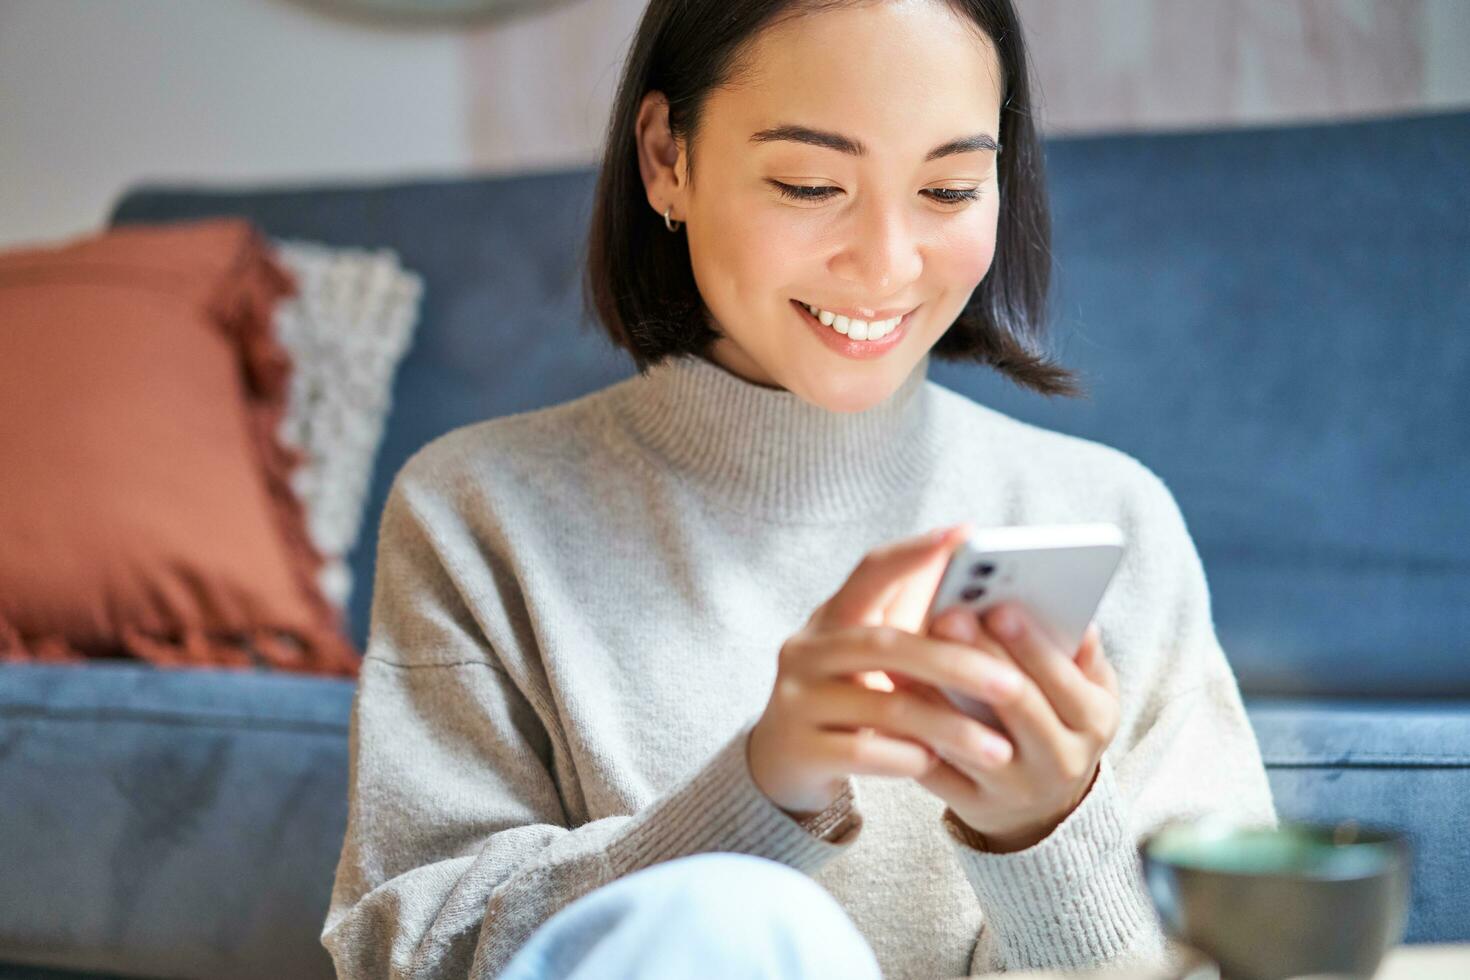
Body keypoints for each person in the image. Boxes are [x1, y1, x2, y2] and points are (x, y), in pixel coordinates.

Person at [320, 0, 1279, 977]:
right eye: (811, 182)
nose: (886, 262)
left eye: (948, 189)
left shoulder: (1110, 519)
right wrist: (758, 791)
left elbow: (1248, 954)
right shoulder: (477, 512)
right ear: (667, 158)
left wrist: (1047, 832)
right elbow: (402, 950)